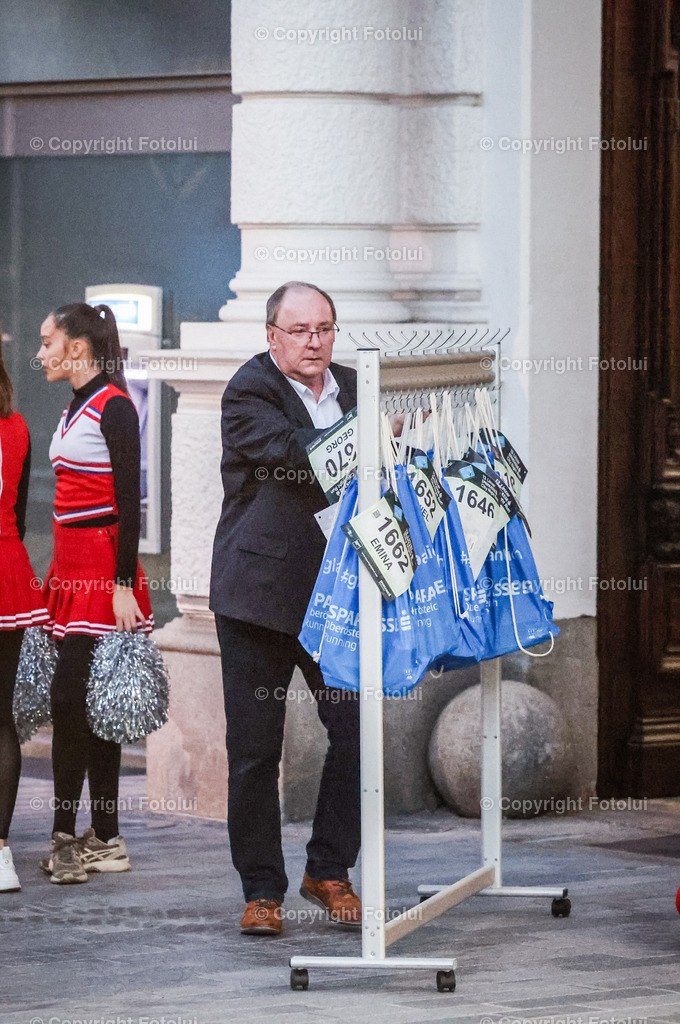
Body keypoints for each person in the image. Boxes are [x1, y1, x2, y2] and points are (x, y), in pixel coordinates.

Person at [210, 281, 361, 936]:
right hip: (259, 598)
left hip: (336, 598)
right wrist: (368, 437)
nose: (313, 342)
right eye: (298, 330)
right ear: (272, 336)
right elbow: (297, 460)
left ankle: (327, 869)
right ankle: (261, 892)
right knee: (253, 750)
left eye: (323, 328)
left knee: (356, 733)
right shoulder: (248, 391)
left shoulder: (355, 385)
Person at [36, 303, 154, 884]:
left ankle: (70, 837)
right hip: (70, 569)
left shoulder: (116, 406)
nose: (41, 353)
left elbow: (131, 503)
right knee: (85, 705)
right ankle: (104, 837)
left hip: (103, 576)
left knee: (76, 703)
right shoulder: (75, 404)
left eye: (48, 341)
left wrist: (124, 585)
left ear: (77, 347)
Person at [0, 342, 50, 892]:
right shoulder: (15, 427)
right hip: (7, 572)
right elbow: (14, 511)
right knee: (1, 721)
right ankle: (1, 856)